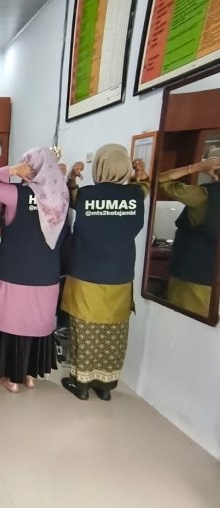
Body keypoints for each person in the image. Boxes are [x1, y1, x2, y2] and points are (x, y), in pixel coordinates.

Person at [0, 147, 68, 393]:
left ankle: (11, 378)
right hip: (46, 274)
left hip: (14, 271)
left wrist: (12, 170)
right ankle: (29, 375)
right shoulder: (61, 196)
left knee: (11, 322)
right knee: (37, 323)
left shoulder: (17, 194)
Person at [60, 144, 149, 401]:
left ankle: (81, 385)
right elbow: (145, 185)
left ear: (99, 166)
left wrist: (72, 177)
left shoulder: (86, 195)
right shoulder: (135, 194)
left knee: (85, 330)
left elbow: (69, 194)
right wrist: (139, 173)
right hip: (119, 275)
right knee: (113, 331)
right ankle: (105, 387)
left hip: (86, 274)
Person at [158, 153, 220, 316]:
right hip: (211, 277)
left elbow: (161, 180)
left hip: (193, 277)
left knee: (182, 323)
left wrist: (196, 167)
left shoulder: (203, 196)